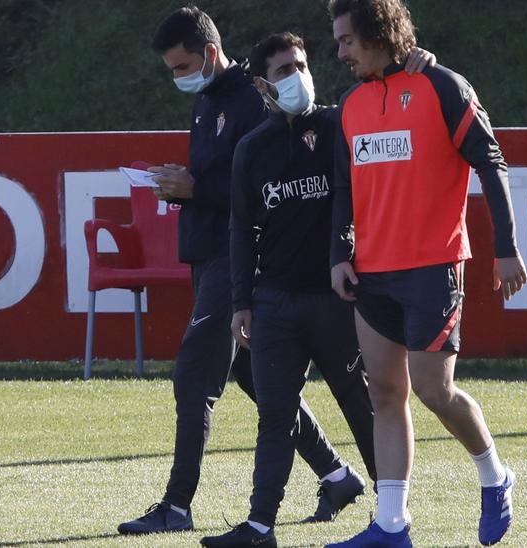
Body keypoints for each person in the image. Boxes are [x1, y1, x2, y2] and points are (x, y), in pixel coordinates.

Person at [117, 7, 367, 535]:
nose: (179, 76)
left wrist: (194, 189)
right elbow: (220, 181)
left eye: (183, 64)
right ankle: (336, 474)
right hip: (208, 256)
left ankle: (178, 505)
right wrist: (183, 186)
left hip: (238, 262)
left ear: (210, 53)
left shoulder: (254, 100)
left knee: (193, 375)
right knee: (258, 382)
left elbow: (257, 194)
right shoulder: (208, 101)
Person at [200, 33, 433, 548]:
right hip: (276, 301)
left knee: (364, 403)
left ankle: (391, 515)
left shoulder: (340, 123)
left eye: (301, 65)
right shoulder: (251, 150)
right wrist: (242, 301)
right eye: (284, 70)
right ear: (262, 85)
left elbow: (391, 103)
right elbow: (241, 231)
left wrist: (417, 67)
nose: (297, 76)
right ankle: (260, 527)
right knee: (275, 413)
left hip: (341, 298)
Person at [322, 1, 527, 546]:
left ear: (377, 33)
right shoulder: (350, 104)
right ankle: (391, 525)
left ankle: (495, 475)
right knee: (386, 395)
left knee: (435, 390)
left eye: (346, 39)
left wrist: (506, 248)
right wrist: (340, 253)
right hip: (372, 274)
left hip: (433, 268)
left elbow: (491, 161)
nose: (339, 51)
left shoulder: (441, 85)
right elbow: (345, 187)